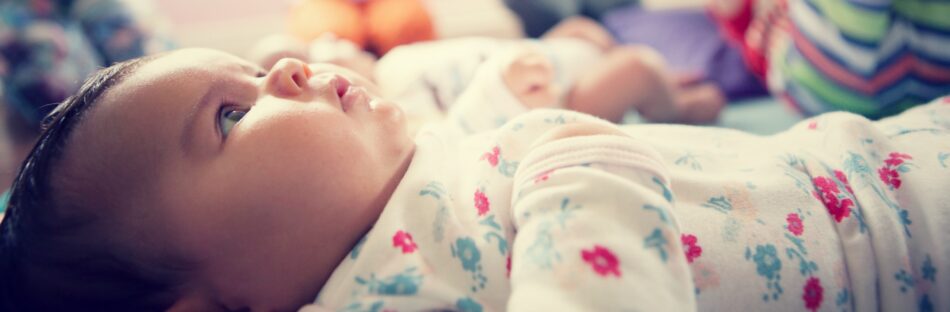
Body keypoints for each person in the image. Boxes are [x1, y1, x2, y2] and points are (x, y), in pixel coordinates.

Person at [1, 48, 948, 311]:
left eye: (253, 65)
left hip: (862, 157)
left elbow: (460, 183)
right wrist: (581, 164)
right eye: (231, 115)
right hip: (902, 240)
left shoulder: (383, 199)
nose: (285, 69)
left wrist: (504, 94)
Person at [249, 17, 724, 127]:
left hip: (538, 54)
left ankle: (654, 79)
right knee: (636, 68)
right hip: (554, 96)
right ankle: (674, 107)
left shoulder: (397, 60)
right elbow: (463, 130)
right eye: (314, 52)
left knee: (585, 30)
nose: (329, 43)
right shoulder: (393, 115)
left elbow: (471, 49)